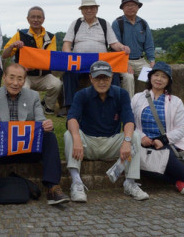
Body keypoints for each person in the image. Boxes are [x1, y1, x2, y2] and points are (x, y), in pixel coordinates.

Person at [0, 63, 69, 210]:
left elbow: (40, 119)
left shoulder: (33, 96)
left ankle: (53, 188)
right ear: (4, 77)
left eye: (20, 79)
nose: (15, 83)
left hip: (26, 148)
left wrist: (46, 124)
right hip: (1, 150)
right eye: (11, 77)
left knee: (49, 137)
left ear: (24, 80)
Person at [64, 61, 149, 202]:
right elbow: (72, 118)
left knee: (134, 135)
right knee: (69, 135)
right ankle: (76, 182)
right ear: (91, 78)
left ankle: (130, 182)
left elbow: (129, 120)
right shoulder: (81, 95)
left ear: (112, 78)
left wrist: (127, 141)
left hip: (112, 142)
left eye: (106, 78)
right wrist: (77, 138)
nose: (102, 82)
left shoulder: (121, 94)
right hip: (88, 144)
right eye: (98, 78)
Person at [131, 61, 184, 197]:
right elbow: (131, 123)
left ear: (168, 81)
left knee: (165, 155)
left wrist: (164, 139)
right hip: (143, 143)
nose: (159, 79)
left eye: (164, 77)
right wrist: (141, 136)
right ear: (150, 77)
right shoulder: (137, 98)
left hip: (165, 143)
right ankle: (182, 182)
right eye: (156, 75)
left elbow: (182, 128)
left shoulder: (175, 102)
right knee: (138, 163)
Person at [62, 0, 130, 112]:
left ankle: (114, 104)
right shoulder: (76, 23)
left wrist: (122, 47)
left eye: (92, 7)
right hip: (79, 62)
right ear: (81, 10)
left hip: (100, 62)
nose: (89, 10)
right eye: (86, 8)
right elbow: (67, 43)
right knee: (68, 74)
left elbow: (114, 43)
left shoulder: (104, 23)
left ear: (96, 9)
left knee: (113, 75)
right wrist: (68, 55)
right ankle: (70, 106)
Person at [2, 6, 63, 115]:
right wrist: (12, 46)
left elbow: (49, 58)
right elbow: (5, 55)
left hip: (44, 75)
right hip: (25, 75)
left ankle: (48, 106)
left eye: (39, 17)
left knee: (57, 84)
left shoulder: (51, 37)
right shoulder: (20, 35)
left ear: (43, 19)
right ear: (28, 19)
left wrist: (33, 65)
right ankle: (26, 107)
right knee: (23, 86)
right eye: (33, 17)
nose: (36, 20)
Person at [112, 0, 156, 99]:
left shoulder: (143, 23)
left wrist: (152, 60)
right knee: (128, 78)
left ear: (138, 7)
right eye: (127, 5)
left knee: (154, 76)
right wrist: (125, 64)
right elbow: (115, 46)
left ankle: (152, 104)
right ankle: (130, 107)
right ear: (122, 8)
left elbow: (149, 45)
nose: (130, 7)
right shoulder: (117, 23)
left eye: (133, 5)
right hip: (124, 60)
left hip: (140, 61)